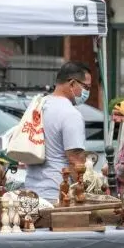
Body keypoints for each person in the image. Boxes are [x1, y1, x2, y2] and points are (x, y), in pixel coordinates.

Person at [28, 61, 91, 203]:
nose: (87, 92)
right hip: (58, 194)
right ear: (72, 84)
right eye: (86, 87)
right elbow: (75, 161)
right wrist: (83, 193)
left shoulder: (38, 105)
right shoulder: (70, 114)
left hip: (31, 190)